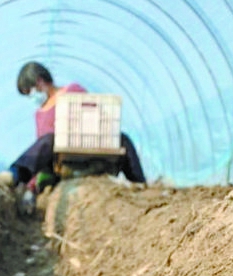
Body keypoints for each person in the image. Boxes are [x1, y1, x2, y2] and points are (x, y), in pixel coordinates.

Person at [9, 62, 145, 211]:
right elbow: (39, 152)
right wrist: (32, 187)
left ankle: (141, 187)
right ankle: (15, 174)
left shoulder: (73, 91)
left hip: (87, 143)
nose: (32, 97)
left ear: (40, 81)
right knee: (49, 140)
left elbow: (96, 114)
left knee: (121, 139)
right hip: (61, 161)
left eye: (30, 91)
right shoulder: (40, 114)